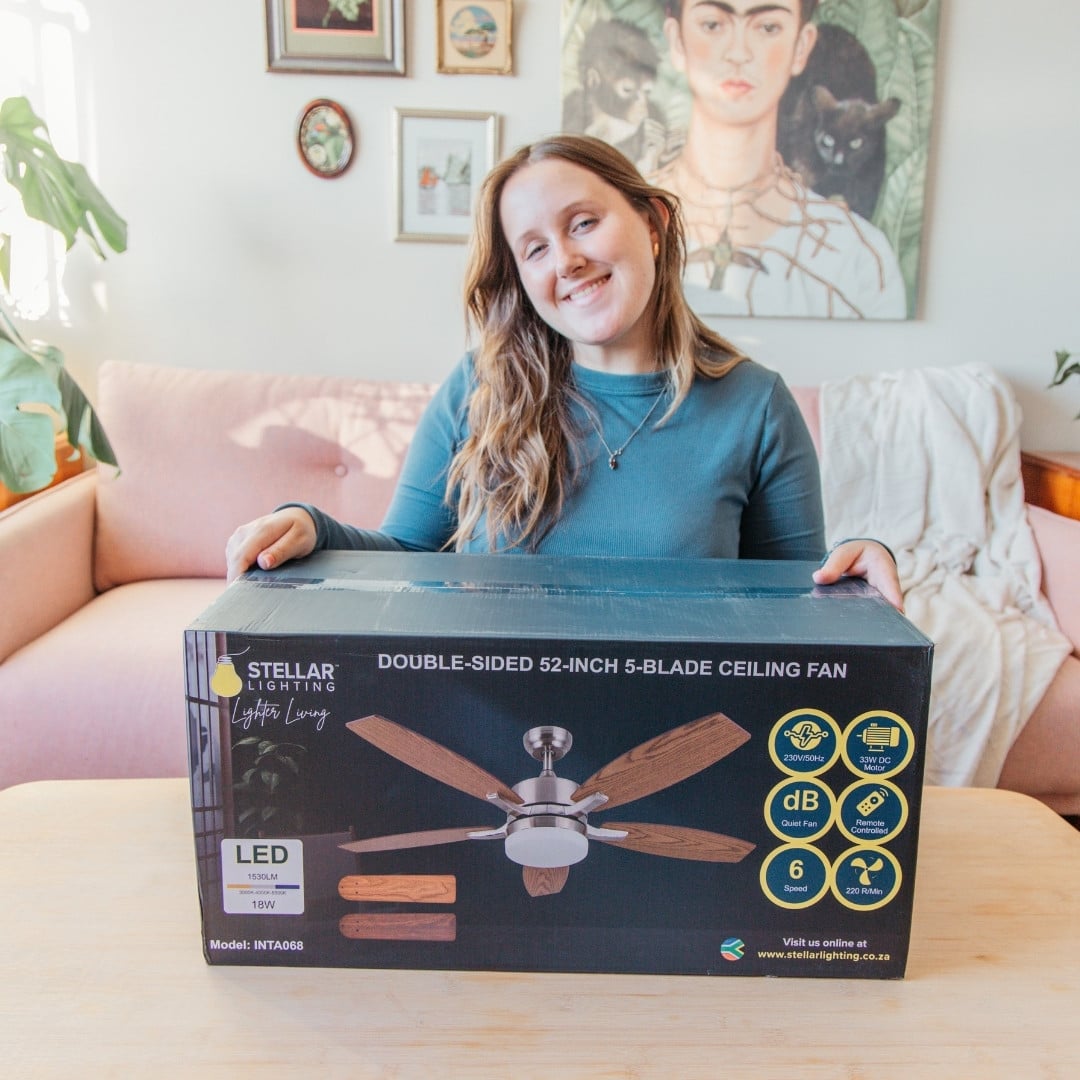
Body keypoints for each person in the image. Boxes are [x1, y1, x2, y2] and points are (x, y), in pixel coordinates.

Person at [226, 134, 902, 609]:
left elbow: (794, 608)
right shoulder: (477, 388)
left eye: (584, 223)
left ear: (654, 221)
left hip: (678, 742)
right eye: (535, 249)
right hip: (485, 728)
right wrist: (312, 526)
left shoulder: (756, 406)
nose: (566, 261)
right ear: (522, 277)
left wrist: (856, 574)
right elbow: (406, 552)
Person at [650, 0, 906, 319]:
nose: (739, 53)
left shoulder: (859, 257)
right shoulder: (616, 232)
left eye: (767, 27)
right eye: (713, 24)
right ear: (677, 40)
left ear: (801, 46)